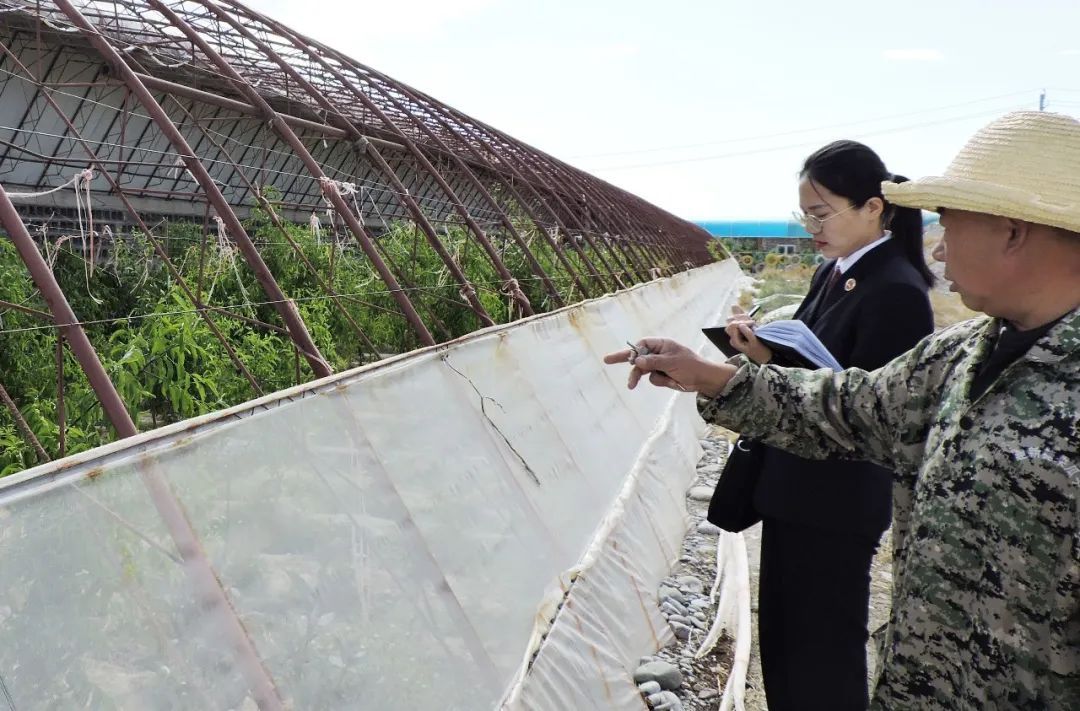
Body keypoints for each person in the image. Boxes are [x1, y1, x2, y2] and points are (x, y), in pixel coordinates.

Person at [604, 111, 1080, 709]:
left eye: (952, 224)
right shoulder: (961, 354)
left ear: (1012, 231)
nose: (937, 243)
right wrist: (704, 373)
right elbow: (849, 406)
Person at [724, 140, 934, 711]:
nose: (812, 226)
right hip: (799, 488)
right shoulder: (835, 273)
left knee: (824, 654)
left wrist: (769, 364)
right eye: (805, 215)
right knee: (788, 646)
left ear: (873, 207)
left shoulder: (896, 291)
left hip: (837, 500)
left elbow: (872, 413)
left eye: (822, 213)